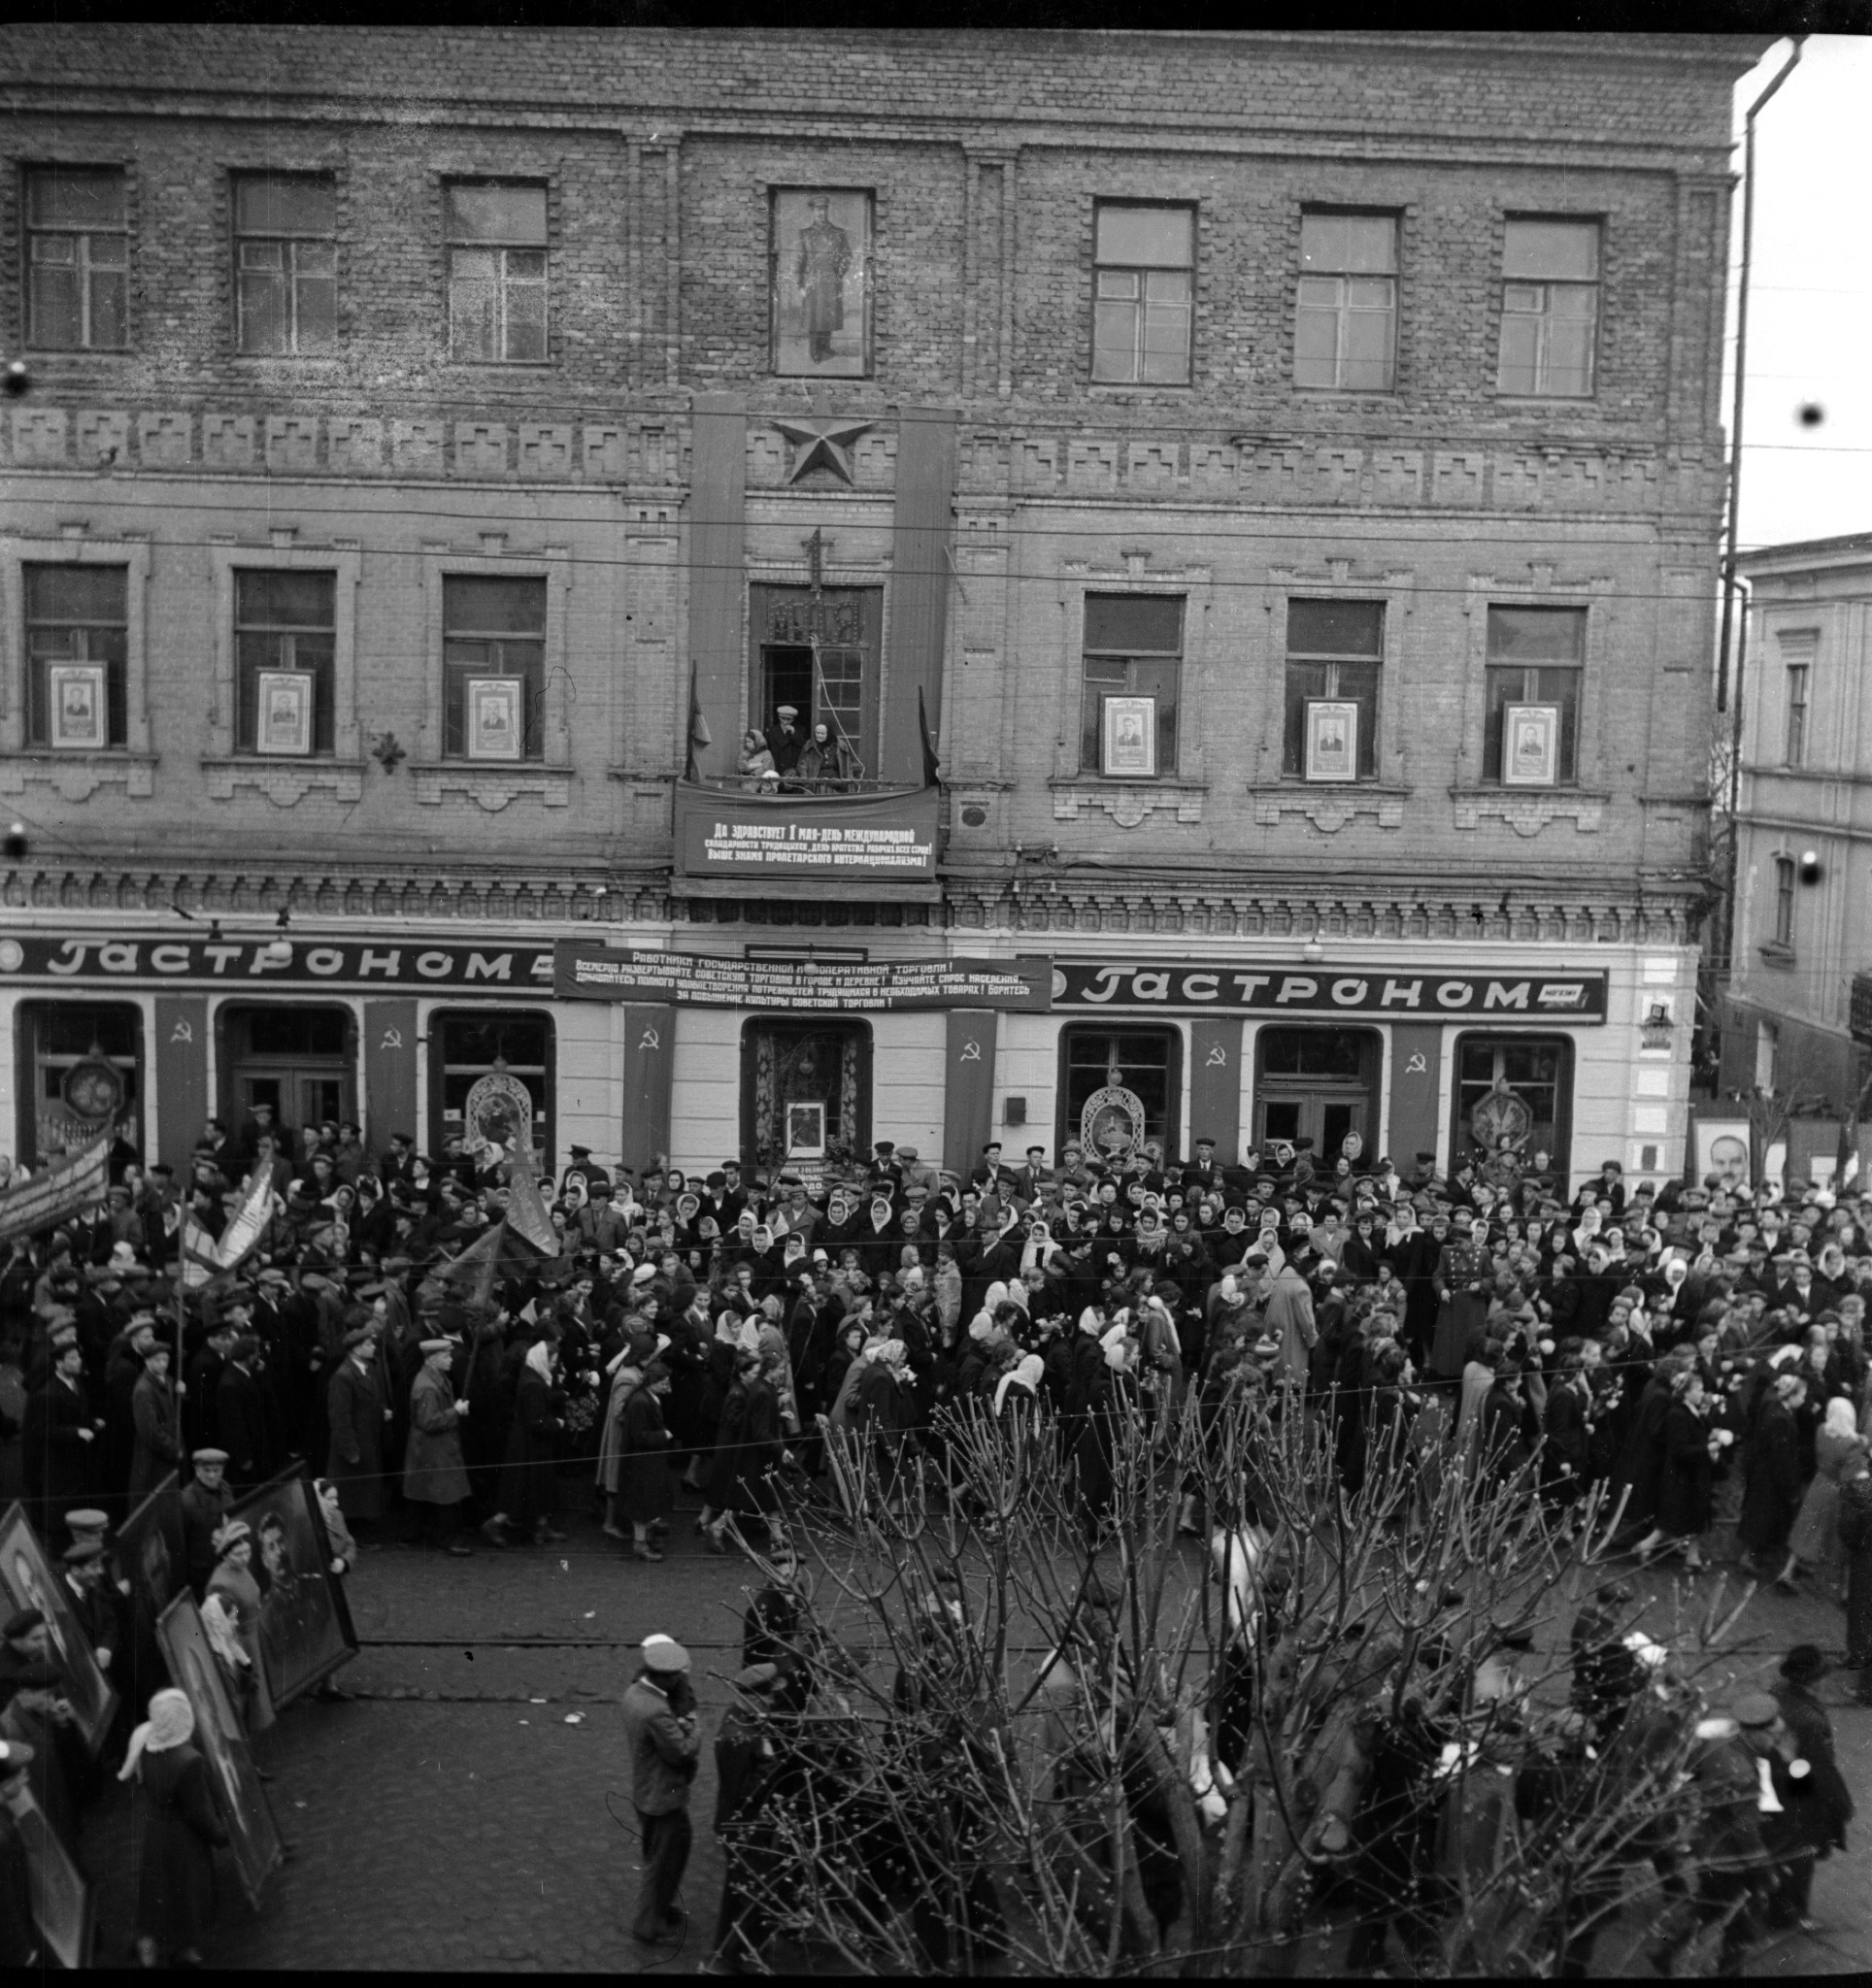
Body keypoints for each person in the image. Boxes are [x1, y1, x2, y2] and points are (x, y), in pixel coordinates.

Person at [119, 1686, 228, 1970]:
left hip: (156, 1830)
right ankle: (185, 1949)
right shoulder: (189, 1760)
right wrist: (221, 1835)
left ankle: (149, 1945)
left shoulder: (145, 1741)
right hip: (183, 1837)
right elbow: (198, 1813)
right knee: (187, 1893)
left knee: (158, 1892)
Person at [620, 1633, 700, 1946]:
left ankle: (660, 1911)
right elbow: (681, 1751)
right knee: (665, 1860)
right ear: (664, 1679)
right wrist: (696, 1727)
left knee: (663, 1854)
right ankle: (648, 1924)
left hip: (646, 1792)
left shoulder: (633, 1694)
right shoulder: (656, 1710)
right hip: (663, 1798)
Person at [404, 1337, 473, 1555]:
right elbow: (429, 1421)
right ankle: (447, 1539)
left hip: (436, 1446)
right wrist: (456, 1412)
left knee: (441, 1492)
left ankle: (436, 1534)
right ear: (433, 1360)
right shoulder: (427, 1387)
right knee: (445, 1493)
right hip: (434, 1448)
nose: (450, 1359)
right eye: (445, 1355)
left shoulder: (433, 1378)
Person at [325, 1326, 387, 1541]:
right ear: (356, 1349)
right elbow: (340, 1418)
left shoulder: (365, 1369)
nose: (373, 1348)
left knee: (361, 1489)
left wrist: (381, 1411)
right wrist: (350, 1450)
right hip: (354, 1443)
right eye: (369, 1345)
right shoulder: (343, 1377)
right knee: (352, 1491)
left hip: (367, 1439)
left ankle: (360, 1528)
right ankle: (353, 1533)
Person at [177, 1449, 234, 1600]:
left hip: (225, 1565)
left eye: (216, 1470)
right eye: (206, 1470)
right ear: (197, 1470)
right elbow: (180, 1544)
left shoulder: (226, 1490)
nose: (212, 1475)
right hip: (202, 1574)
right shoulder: (187, 1500)